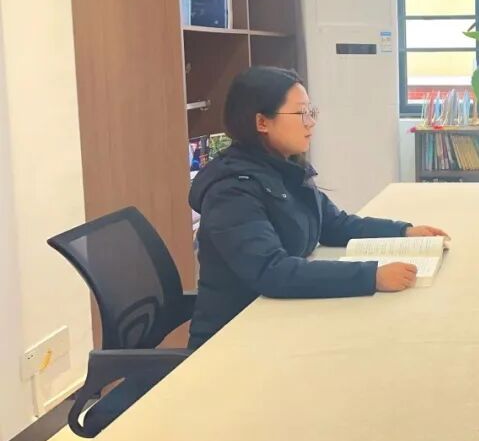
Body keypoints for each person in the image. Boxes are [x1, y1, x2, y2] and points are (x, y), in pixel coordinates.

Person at [188, 66, 448, 349]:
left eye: (312, 112)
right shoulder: (231, 192)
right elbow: (272, 271)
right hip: (232, 341)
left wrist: (404, 232)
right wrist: (372, 276)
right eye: (302, 113)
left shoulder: (285, 167)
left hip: (277, 321)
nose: (311, 122)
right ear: (262, 122)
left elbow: (334, 224)